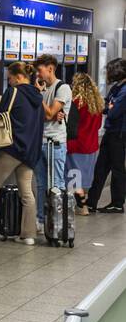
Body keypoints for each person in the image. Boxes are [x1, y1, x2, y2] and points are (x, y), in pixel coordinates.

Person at [0, 62, 43, 245]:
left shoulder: (13, 93)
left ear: (18, 77)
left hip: (12, 149)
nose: (8, 82)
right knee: (27, 194)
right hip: (30, 152)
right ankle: (29, 235)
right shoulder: (37, 97)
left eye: (9, 78)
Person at [33, 54, 73, 206]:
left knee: (56, 184)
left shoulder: (62, 88)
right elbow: (41, 116)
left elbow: (49, 113)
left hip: (55, 143)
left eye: (40, 70)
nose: (38, 74)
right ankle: (42, 221)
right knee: (41, 184)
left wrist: (39, 95)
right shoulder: (43, 89)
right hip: (40, 142)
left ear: (50, 69)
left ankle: (59, 223)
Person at [87, 58, 126, 214]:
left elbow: (113, 112)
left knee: (117, 169)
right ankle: (91, 202)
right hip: (111, 132)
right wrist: (108, 106)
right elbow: (103, 106)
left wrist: (109, 107)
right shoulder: (117, 88)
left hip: (119, 133)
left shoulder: (124, 90)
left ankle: (117, 203)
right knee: (101, 168)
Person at [67, 71, 104, 215]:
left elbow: (70, 125)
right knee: (83, 177)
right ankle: (82, 205)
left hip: (76, 145)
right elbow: (99, 125)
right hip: (91, 145)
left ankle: (81, 207)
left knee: (73, 177)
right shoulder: (97, 102)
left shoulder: (76, 102)